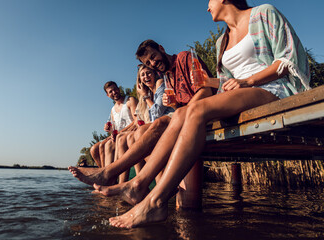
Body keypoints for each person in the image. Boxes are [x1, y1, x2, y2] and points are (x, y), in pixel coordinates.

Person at [108, 1, 310, 228]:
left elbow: (287, 59)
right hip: (242, 94)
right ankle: (139, 185)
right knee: (183, 112)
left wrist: (248, 81)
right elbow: (225, 84)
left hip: (272, 88)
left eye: (209, 1)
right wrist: (209, 84)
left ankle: (154, 200)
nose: (207, 7)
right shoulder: (221, 41)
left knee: (194, 108)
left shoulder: (263, 13)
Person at [68, 41, 213, 197]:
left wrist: (178, 108)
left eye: (153, 57)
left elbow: (207, 91)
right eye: (148, 63)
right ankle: (138, 185)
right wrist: (175, 105)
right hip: (185, 115)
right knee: (141, 131)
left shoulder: (184, 58)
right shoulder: (168, 77)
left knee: (158, 123)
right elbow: (175, 108)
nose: (153, 63)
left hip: (205, 110)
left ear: (162, 49)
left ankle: (110, 173)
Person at [90, 81, 138, 169]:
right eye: (110, 92)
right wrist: (109, 129)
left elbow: (136, 121)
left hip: (130, 134)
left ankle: (107, 173)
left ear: (118, 89)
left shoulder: (130, 100)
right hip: (119, 135)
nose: (114, 92)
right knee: (94, 149)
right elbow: (115, 128)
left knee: (106, 145)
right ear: (108, 95)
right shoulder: (113, 110)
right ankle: (103, 171)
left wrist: (119, 133)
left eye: (115, 89)